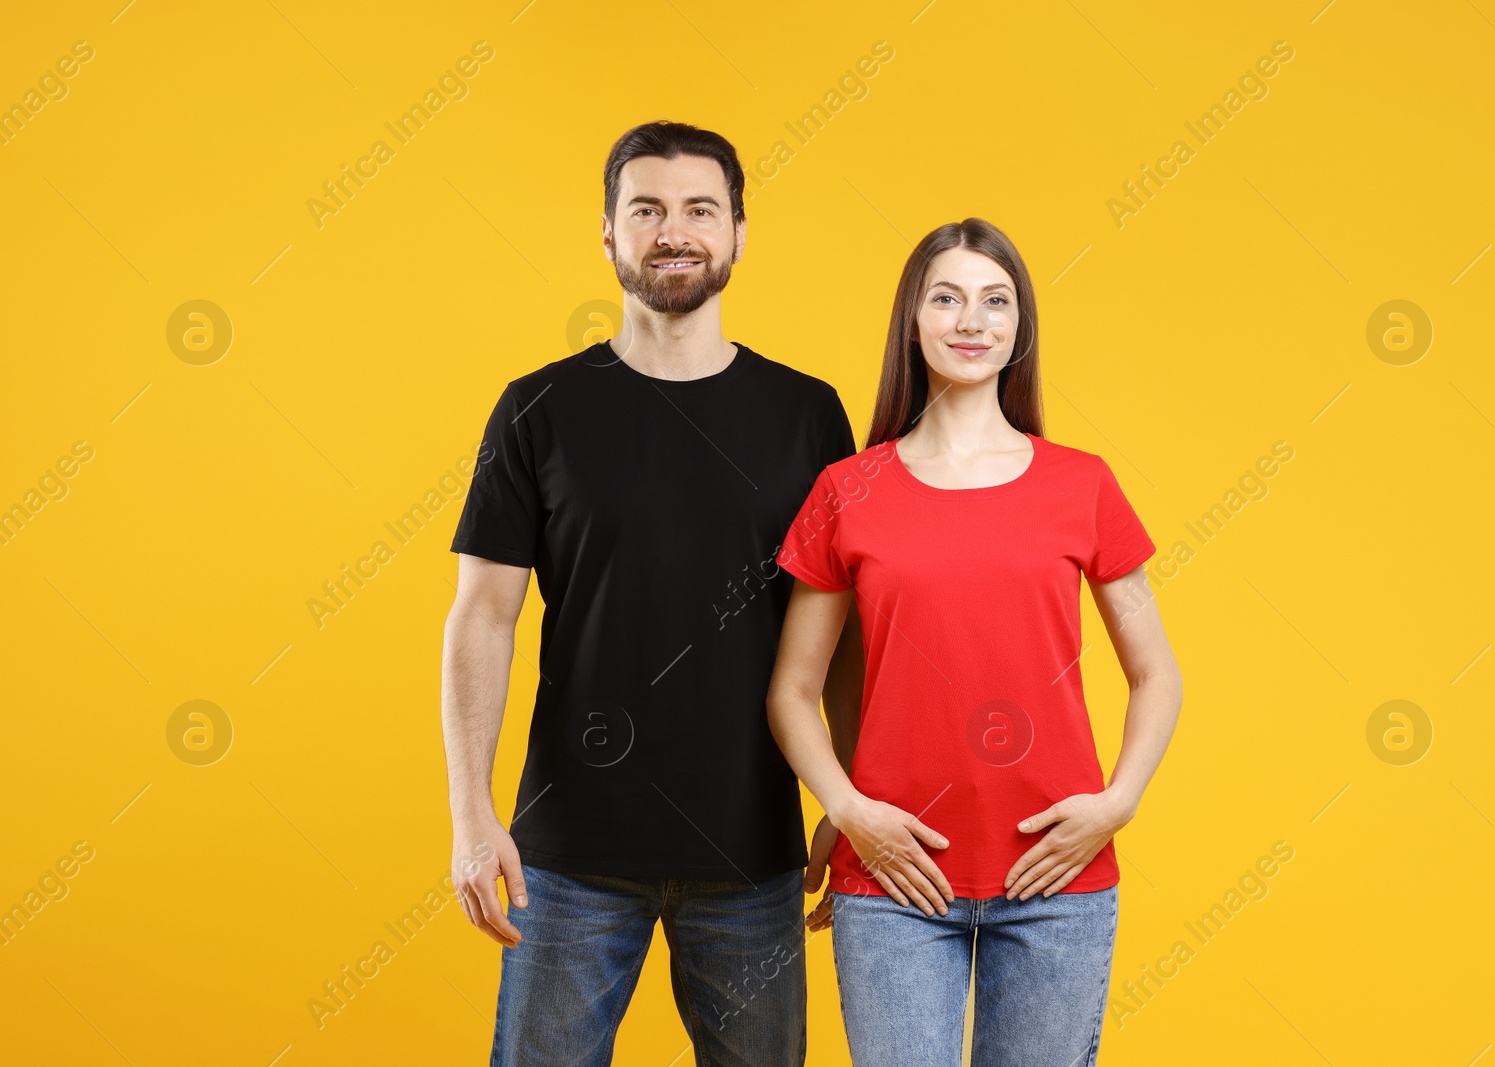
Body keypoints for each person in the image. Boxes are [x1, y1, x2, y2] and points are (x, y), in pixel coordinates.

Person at [441, 120, 863, 1067]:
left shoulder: (808, 413)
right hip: (566, 856)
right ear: (608, 234)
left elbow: (845, 626)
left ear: (740, 234)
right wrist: (472, 816)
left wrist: (849, 790)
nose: (675, 231)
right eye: (648, 210)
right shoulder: (538, 407)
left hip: (754, 853)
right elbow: (482, 617)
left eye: (700, 209)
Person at [766, 218, 1183, 1067]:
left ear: (1020, 328)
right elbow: (790, 690)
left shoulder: (1082, 482)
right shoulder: (850, 489)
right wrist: (847, 811)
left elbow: (1157, 673)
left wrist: (1118, 802)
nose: (972, 320)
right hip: (891, 879)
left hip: (1057, 881)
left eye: (997, 302)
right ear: (912, 321)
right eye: (947, 297)